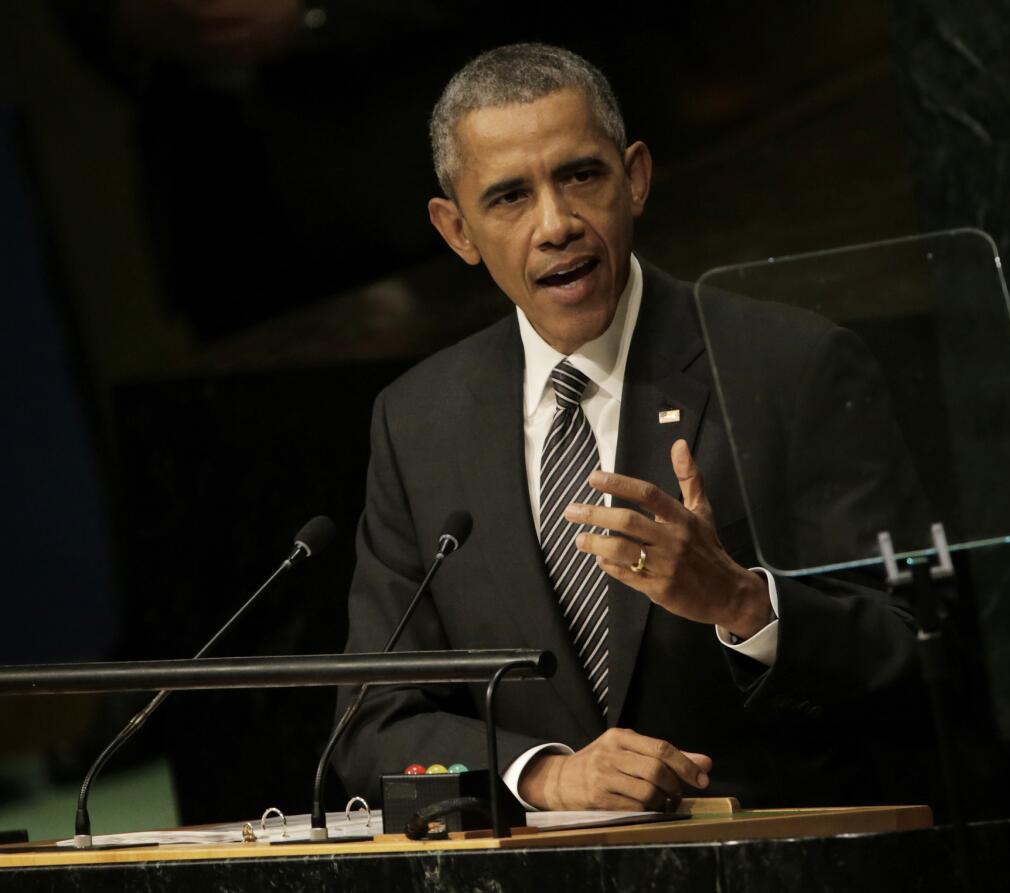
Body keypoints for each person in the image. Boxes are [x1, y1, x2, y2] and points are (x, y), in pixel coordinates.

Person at [333, 43, 924, 811]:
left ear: (635, 178)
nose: (557, 224)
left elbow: (918, 657)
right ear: (457, 232)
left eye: (581, 175)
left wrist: (745, 605)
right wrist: (546, 775)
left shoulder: (790, 367)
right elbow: (371, 723)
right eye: (510, 197)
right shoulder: (418, 421)